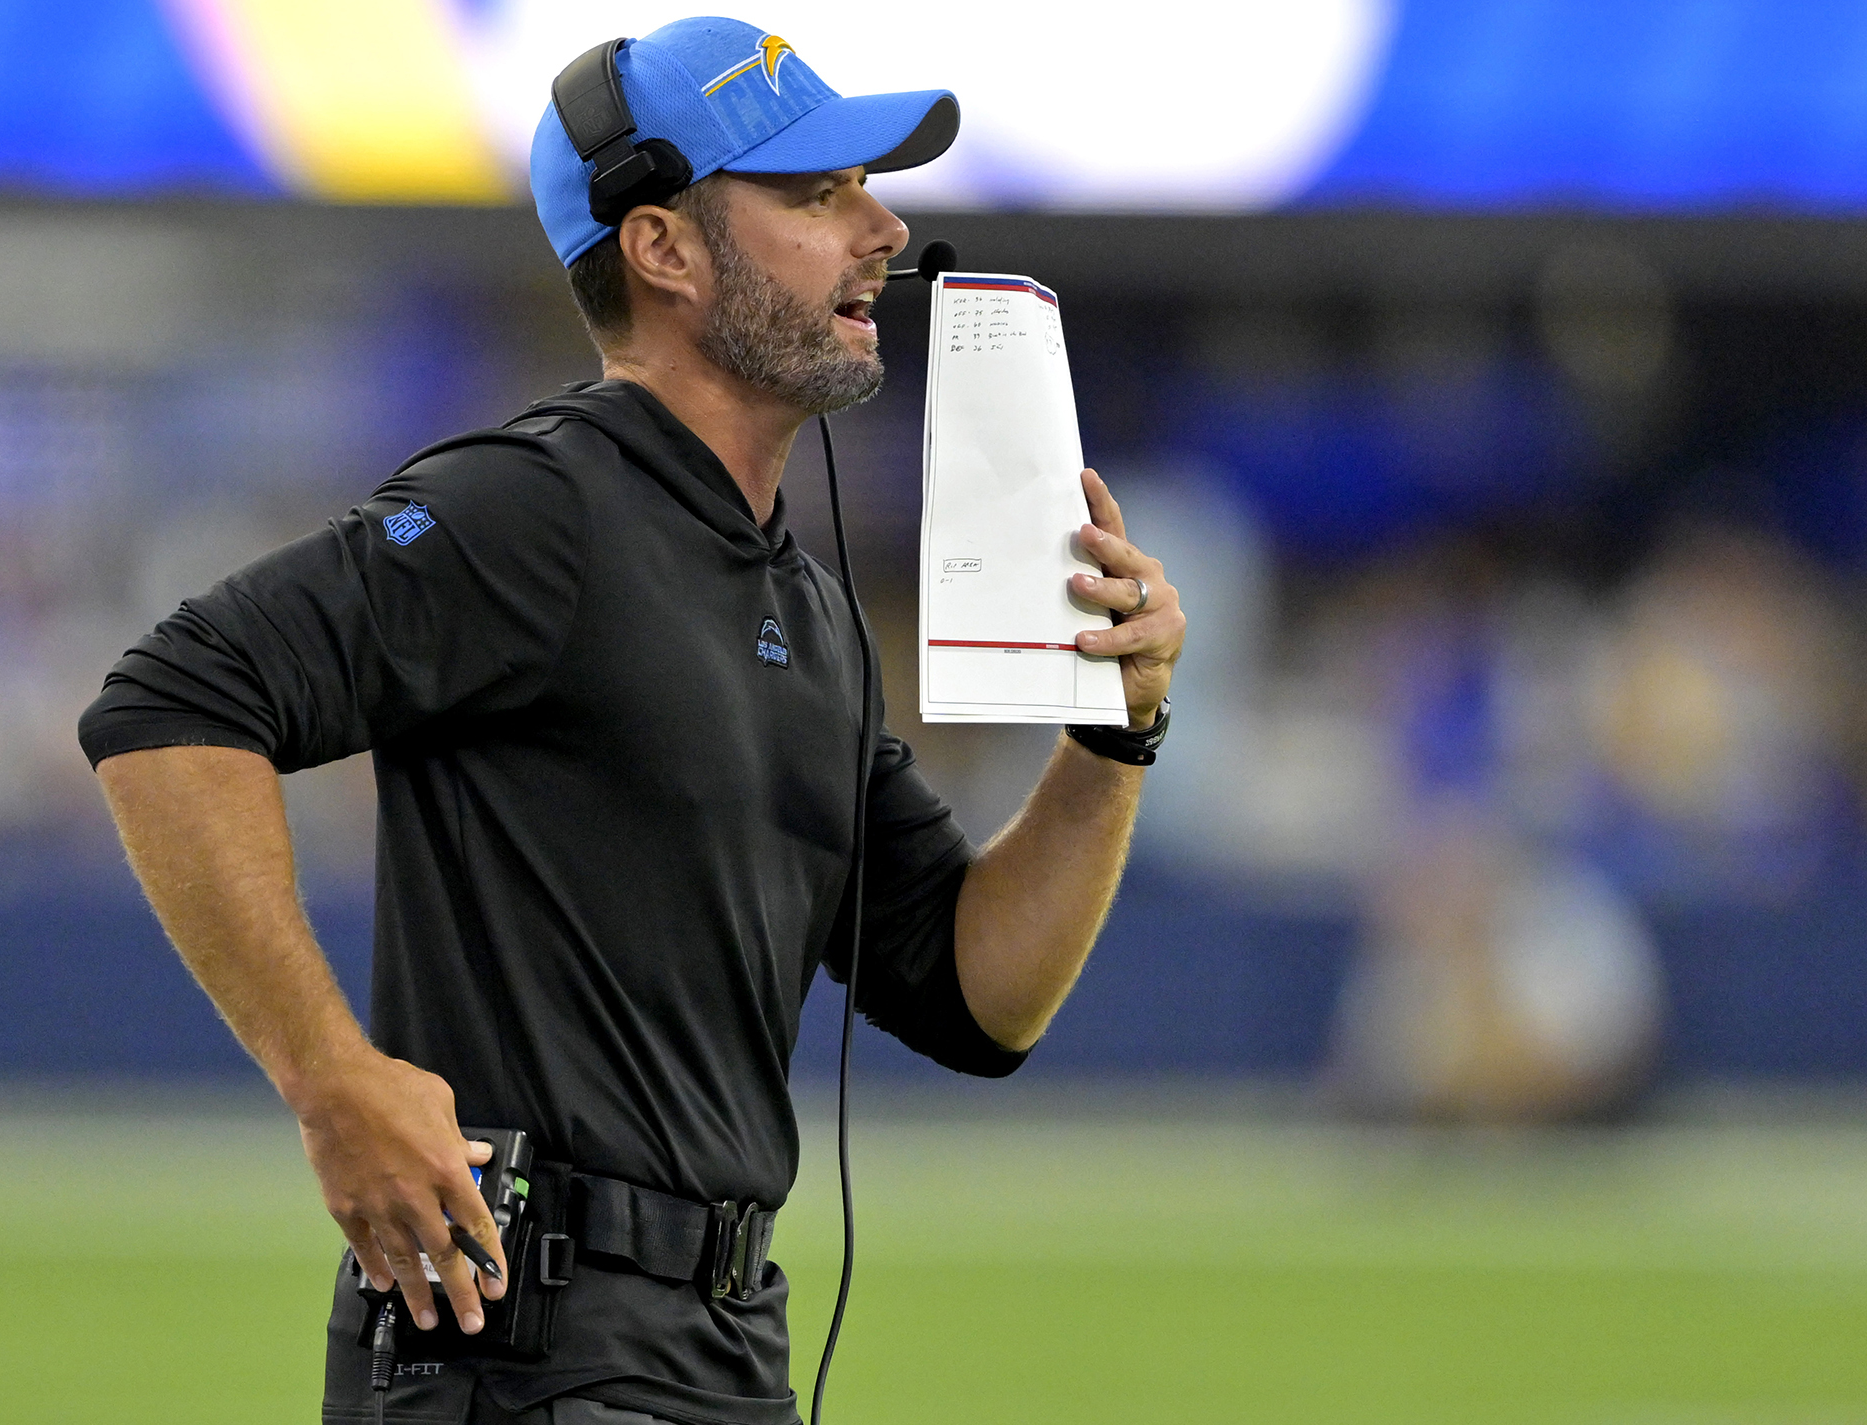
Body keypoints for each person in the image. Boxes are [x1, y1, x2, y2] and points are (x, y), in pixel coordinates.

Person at [78, 18, 1185, 1425]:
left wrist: (1113, 733)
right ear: (662, 246)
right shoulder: (539, 508)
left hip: (723, 1356)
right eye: (818, 193)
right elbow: (169, 703)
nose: (886, 229)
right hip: (527, 1351)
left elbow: (980, 992)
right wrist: (332, 1078)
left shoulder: (813, 607)